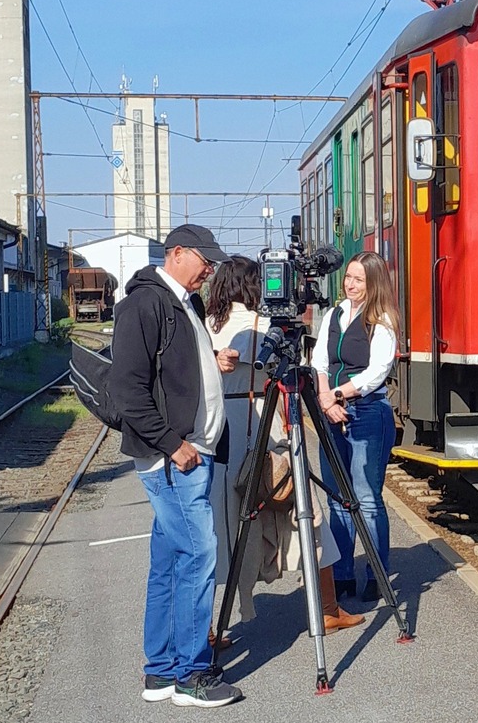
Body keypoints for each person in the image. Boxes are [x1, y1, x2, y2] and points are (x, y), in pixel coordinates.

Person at [109, 224, 243, 709]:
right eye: (204, 260)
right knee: (198, 557)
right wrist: (172, 444)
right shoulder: (143, 305)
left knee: (168, 564)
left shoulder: (185, 302)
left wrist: (212, 360)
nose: (209, 270)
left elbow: (175, 367)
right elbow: (127, 390)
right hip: (175, 459)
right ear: (177, 253)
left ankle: (161, 671)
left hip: (190, 452)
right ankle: (192, 674)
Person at [204, 257, 363, 634]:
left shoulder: (208, 327)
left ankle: (208, 627)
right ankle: (326, 606)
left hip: (221, 428)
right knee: (306, 508)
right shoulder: (265, 328)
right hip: (264, 421)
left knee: (220, 524)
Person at [313, 251, 401, 604]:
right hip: (330, 412)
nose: (350, 284)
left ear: (374, 283)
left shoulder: (382, 322)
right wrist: (325, 398)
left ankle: (377, 574)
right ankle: (342, 574)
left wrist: (336, 395)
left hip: (366, 413)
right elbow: (319, 359)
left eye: (358, 279)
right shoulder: (333, 315)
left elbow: (375, 373)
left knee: (366, 499)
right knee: (337, 498)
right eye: (348, 277)